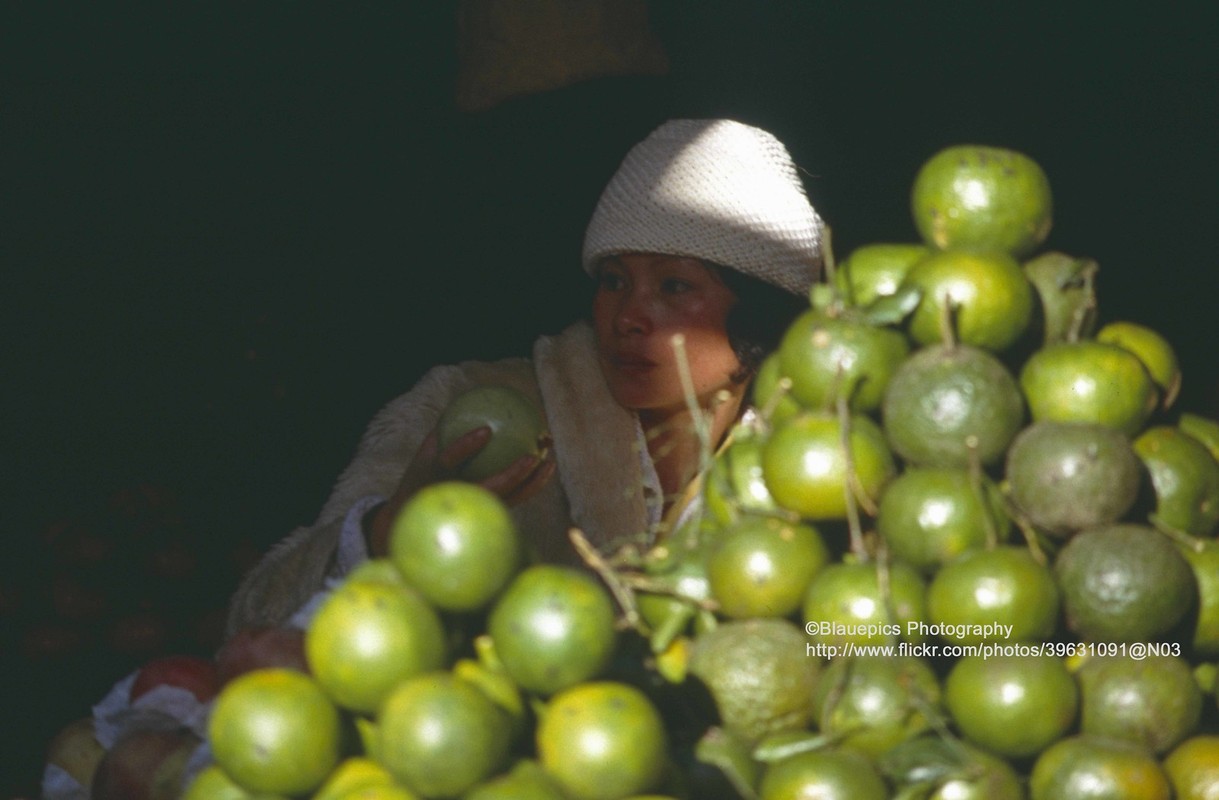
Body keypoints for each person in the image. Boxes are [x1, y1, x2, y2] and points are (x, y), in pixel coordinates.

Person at [224, 118, 825, 635]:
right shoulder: (471, 411)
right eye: (613, 282)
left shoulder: (815, 459)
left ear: (758, 313)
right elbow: (257, 619)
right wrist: (385, 534)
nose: (628, 317)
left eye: (673, 286)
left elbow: (894, 646)